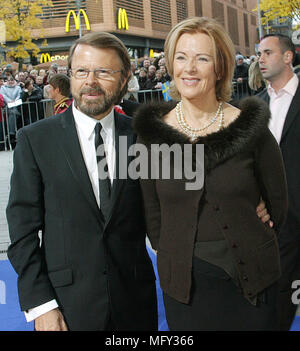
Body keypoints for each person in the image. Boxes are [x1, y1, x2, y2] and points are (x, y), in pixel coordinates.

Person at [133, 17, 288, 331]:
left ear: (220, 68)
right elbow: (153, 217)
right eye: (181, 57)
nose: (189, 68)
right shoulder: (151, 136)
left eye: (201, 58)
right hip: (186, 288)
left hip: (252, 281)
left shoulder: (251, 128)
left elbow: (278, 203)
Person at [6, 31, 157, 331]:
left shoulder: (146, 135)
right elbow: (22, 233)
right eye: (82, 71)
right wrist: (42, 305)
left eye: (103, 71)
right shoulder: (36, 140)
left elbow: (177, 202)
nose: (90, 81)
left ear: (125, 78)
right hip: (66, 308)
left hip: (135, 304)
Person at [257, 33, 300, 331]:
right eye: (259, 53)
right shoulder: (254, 106)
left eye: (268, 52)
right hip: (275, 220)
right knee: (281, 296)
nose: (260, 58)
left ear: (288, 57)